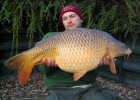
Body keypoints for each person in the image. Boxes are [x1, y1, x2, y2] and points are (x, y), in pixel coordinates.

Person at [38, 4, 122, 100]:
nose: (69, 21)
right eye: (65, 18)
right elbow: (44, 71)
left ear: (81, 19)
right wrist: (47, 64)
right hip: (60, 89)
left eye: (72, 16)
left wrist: (98, 63)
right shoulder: (51, 37)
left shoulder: (94, 37)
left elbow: (89, 78)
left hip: (88, 87)